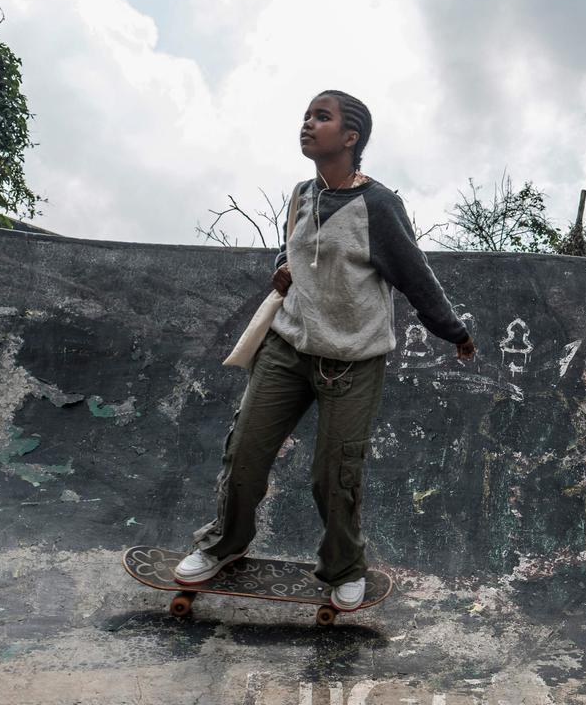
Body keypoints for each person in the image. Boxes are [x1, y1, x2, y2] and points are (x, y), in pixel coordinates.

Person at [174, 90, 476, 610]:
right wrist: (282, 267)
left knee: (334, 473)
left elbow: (415, 278)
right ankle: (224, 545)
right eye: (307, 116)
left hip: (353, 361)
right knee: (244, 452)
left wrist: (455, 332)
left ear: (351, 137)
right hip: (288, 346)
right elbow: (296, 247)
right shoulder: (301, 195)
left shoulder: (378, 206)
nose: (308, 124)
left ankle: (343, 565)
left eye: (322, 117)